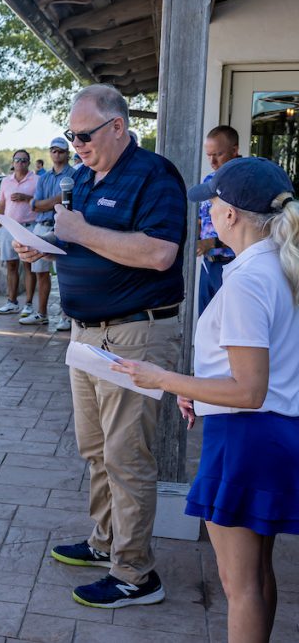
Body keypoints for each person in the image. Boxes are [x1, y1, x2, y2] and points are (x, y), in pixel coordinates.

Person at [113, 158, 299, 640]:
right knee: (257, 576)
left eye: (212, 203)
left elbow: (249, 390)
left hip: (245, 438)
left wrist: (165, 379)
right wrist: (201, 390)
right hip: (273, 433)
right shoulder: (278, 266)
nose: (208, 211)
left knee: (241, 587)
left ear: (232, 215)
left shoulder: (248, 279)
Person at [15, 84, 186, 608]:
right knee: (95, 449)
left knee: (126, 454)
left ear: (117, 126)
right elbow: (76, 239)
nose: (77, 144)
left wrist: (81, 232)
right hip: (86, 332)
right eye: (71, 135)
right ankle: (105, 542)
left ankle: (136, 574)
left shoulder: (154, 175)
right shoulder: (84, 180)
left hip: (133, 333)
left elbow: (159, 253)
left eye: (84, 135)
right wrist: (41, 246)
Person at [21, 137, 76, 329]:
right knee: (40, 272)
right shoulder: (44, 178)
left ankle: (67, 315)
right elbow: (35, 205)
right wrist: (57, 199)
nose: (56, 154)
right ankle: (41, 313)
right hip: (42, 225)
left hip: (64, 228)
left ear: (67, 153)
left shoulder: (74, 175)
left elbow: (43, 204)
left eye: (60, 150)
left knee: (64, 274)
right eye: (53, 150)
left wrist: (46, 203)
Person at [197, 125, 241, 315]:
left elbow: (246, 228)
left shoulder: (246, 180)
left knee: (229, 328)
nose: (212, 161)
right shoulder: (209, 179)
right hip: (208, 263)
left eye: (218, 154)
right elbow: (201, 219)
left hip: (234, 264)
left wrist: (212, 242)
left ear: (235, 150)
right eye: (209, 155)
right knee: (205, 326)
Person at [0, 150, 39, 318]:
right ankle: (11, 302)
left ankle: (28, 304)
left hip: (29, 227)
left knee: (29, 266)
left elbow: (40, 202)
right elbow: (1, 204)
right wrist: (0, 227)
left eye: (23, 160)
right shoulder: (5, 182)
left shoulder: (37, 180)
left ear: (28, 163)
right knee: (11, 266)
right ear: (12, 162)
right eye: (17, 160)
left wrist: (25, 197)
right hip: (8, 228)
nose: (20, 163)